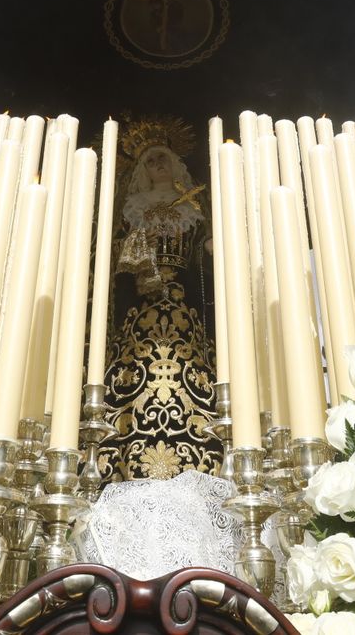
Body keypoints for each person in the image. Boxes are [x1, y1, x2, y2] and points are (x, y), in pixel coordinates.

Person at [100, 135, 219, 481]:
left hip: (185, 304)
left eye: (162, 158)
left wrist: (211, 245)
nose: (158, 165)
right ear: (143, 171)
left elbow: (202, 249)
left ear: (175, 164)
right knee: (136, 367)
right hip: (142, 304)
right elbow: (115, 253)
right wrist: (138, 244)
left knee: (192, 365)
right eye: (150, 161)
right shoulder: (133, 205)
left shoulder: (193, 205)